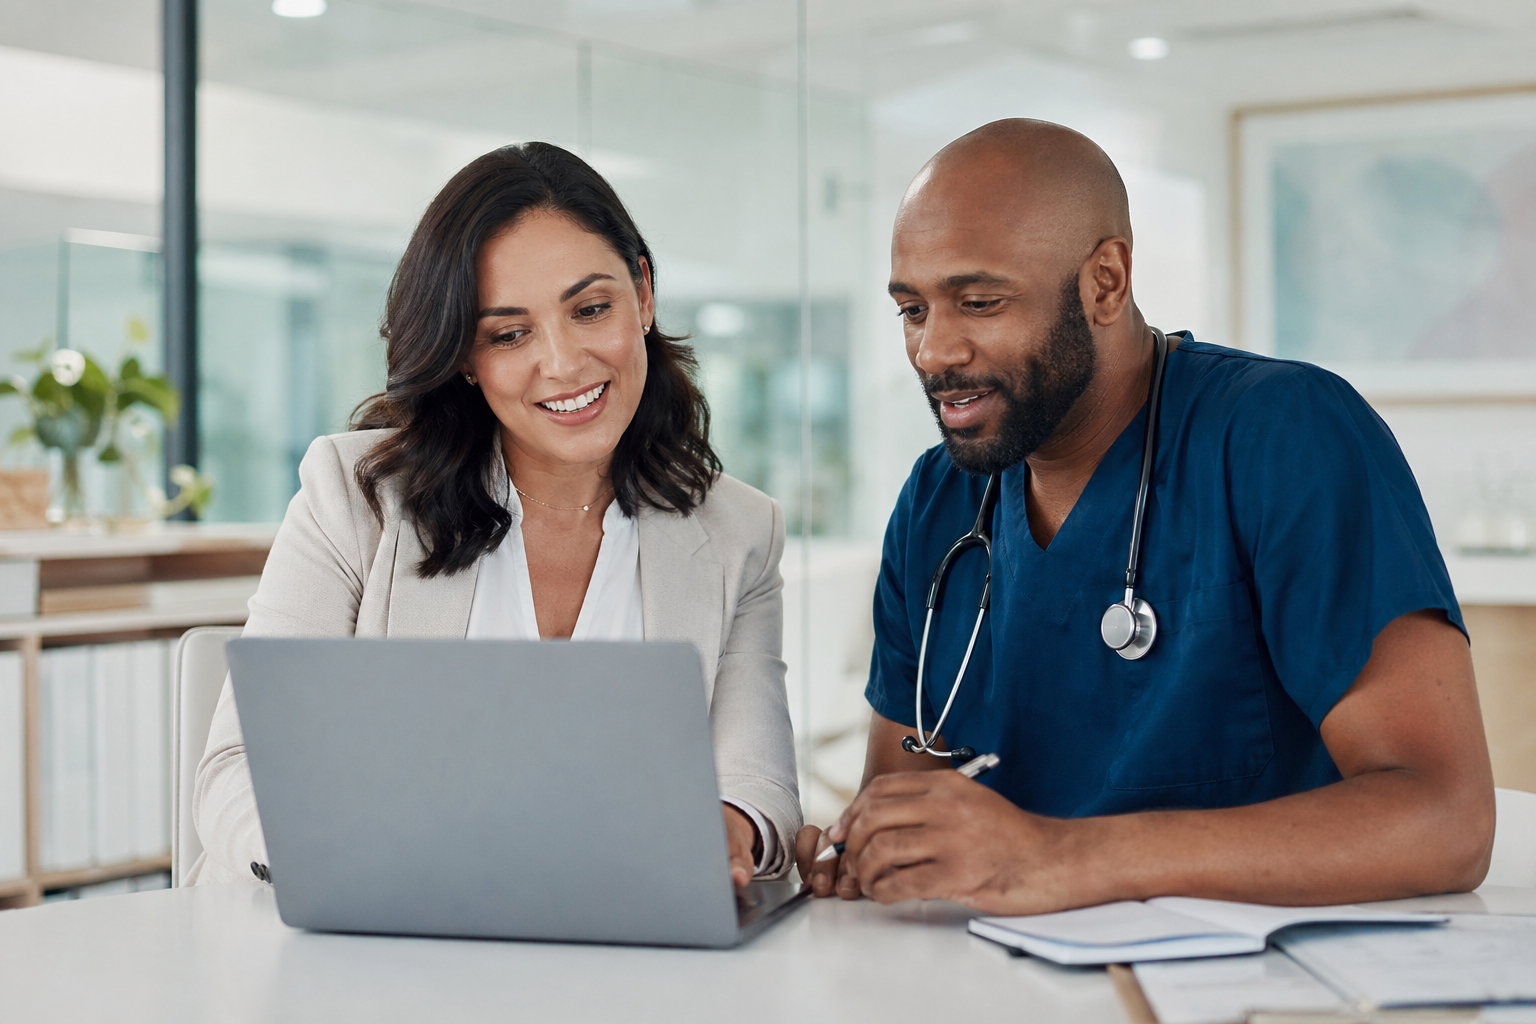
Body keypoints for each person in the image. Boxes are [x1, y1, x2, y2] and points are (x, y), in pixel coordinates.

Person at [795, 119, 1495, 914]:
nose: (932, 352)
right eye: (912, 310)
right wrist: (851, 851)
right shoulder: (940, 501)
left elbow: (1446, 818)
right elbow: (900, 817)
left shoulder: (1283, 435)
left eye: (980, 302)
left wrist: (1060, 857)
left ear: (1105, 281)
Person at [191, 143, 800, 888]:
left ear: (642, 293)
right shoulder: (355, 497)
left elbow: (758, 787)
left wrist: (724, 832)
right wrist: (345, 861)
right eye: (509, 334)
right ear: (464, 357)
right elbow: (238, 769)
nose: (565, 362)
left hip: (612, 948)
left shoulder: (741, 532)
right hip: (357, 946)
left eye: (591, 309)